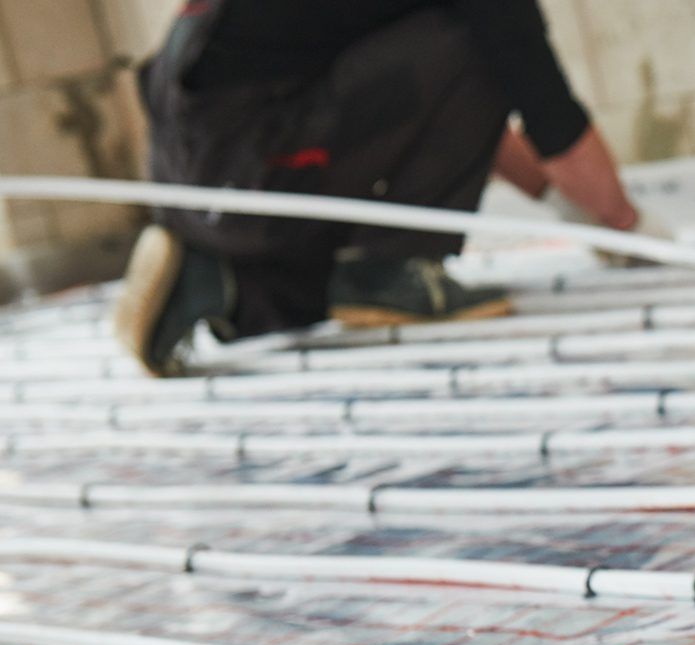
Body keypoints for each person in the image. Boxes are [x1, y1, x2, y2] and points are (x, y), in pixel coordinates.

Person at [113, 0, 640, 377]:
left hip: (194, 170)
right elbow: (553, 123)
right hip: (247, 156)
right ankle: (391, 264)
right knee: (481, 41)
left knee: (474, 45)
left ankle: (221, 284)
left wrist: (567, 204)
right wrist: (626, 225)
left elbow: (457, 113)